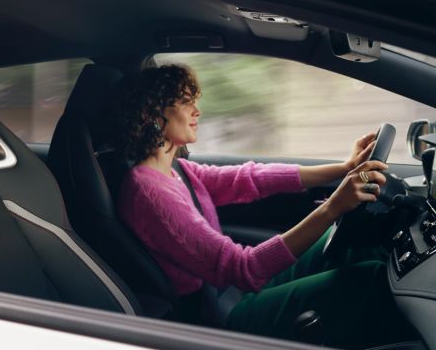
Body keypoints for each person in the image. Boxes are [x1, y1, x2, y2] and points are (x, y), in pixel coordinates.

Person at [116, 64, 416, 349]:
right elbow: (244, 268)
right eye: (185, 102)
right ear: (154, 115)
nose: (198, 111)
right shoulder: (149, 192)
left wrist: (345, 167)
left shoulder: (177, 171)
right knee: (372, 281)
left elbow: (252, 178)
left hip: (230, 291)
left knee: (356, 245)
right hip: (219, 316)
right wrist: (333, 207)